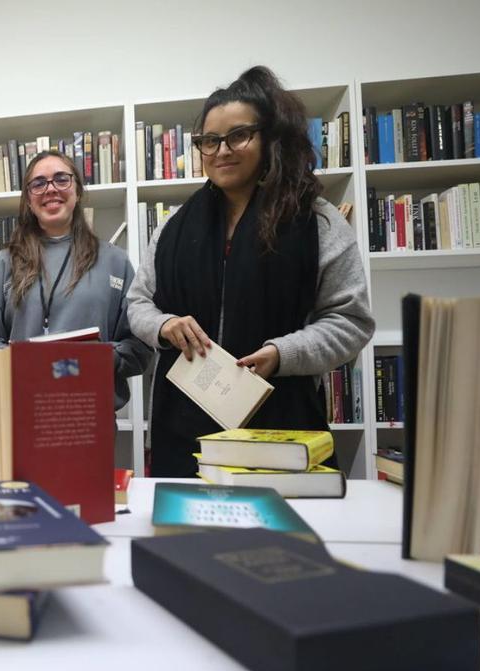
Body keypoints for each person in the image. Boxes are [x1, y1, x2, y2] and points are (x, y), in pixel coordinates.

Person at [127, 66, 375, 477]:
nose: (222, 150)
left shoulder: (316, 221)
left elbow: (351, 321)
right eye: (210, 140)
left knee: (278, 520)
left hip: (281, 427)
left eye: (238, 135)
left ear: (270, 139)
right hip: (182, 431)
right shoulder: (175, 227)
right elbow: (138, 303)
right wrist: (164, 324)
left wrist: (283, 353)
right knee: (185, 518)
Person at [0, 150, 151, 411]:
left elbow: (139, 347)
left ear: (77, 190)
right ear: (28, 200)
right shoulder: (3, 264)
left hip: (89, 415)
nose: (51, 189)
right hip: (21, 413)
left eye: (61, 179)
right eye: (39, 183)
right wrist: (28, 365)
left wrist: (97, 359)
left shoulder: (116, 262)